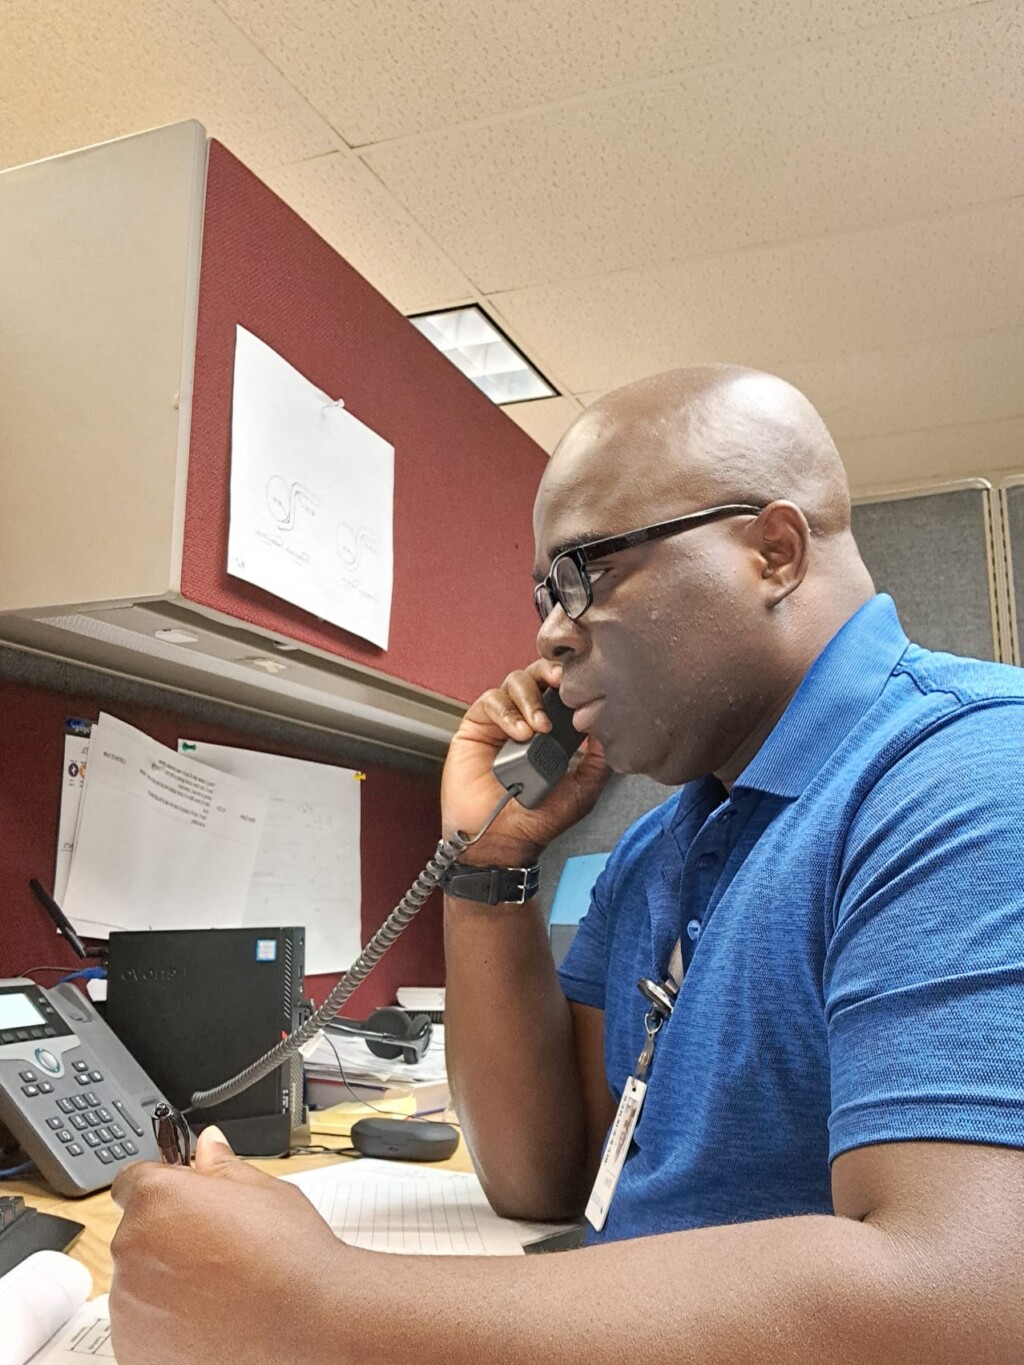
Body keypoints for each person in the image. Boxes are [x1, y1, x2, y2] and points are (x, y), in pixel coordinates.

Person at [109, 366, 1024, 1363]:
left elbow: (967, 1302)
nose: (550, 632)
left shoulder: (970, 780)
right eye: (546, 592)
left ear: (773, 551)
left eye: (586, 572)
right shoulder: (658, 849)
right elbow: (544, 1179)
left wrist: (315, 1305)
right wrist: (491, 863)